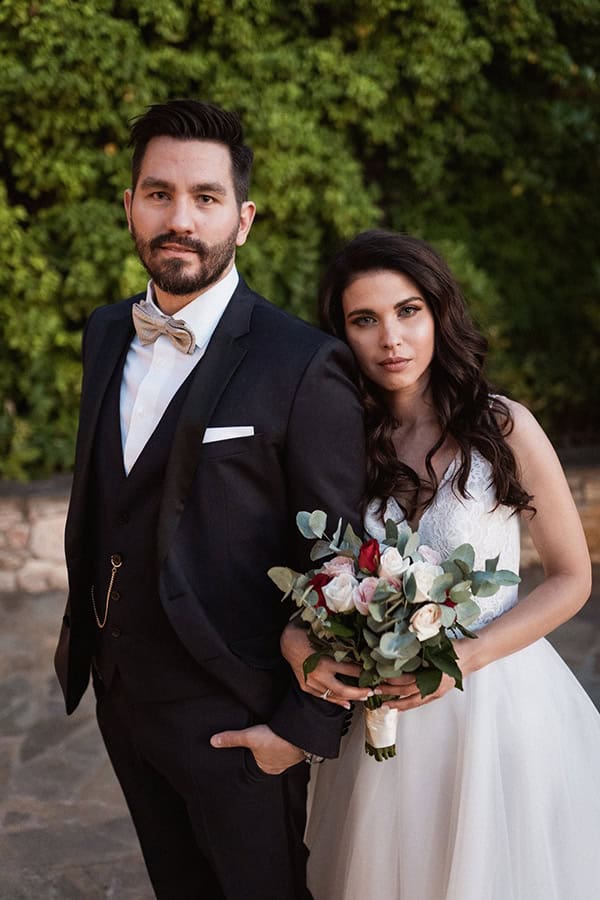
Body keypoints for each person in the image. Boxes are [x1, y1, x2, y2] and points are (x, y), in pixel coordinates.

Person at [54, 99, 366, 900]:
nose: (179, 219)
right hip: (124, 701)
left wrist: (302, 732)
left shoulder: (304, 363)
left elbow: (340, 558)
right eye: (158, 194)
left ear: (244, 218)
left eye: (205, 198)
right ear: (129, 206)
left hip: (240, 716)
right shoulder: (104, 334)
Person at [281, 230, 600, 900]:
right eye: (364, 320)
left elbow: (572, 578)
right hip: (385, 716)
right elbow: (322, 568)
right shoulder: (340, 445)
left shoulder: (504, 428)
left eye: (408, 311)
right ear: (340, 335)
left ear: (438, 313)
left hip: (499, 704)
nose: (390, 338)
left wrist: (471, 657)